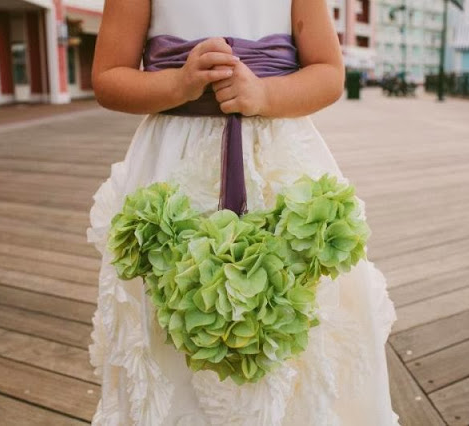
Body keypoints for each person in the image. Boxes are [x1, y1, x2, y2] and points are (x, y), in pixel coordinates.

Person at [86, 0, 400, 425]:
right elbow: (108, 78)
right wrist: (178, 84)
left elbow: (328, 72)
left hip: (275, 157)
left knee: (298, 315)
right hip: (175, 171)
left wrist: (265, 93)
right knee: (168, 319)